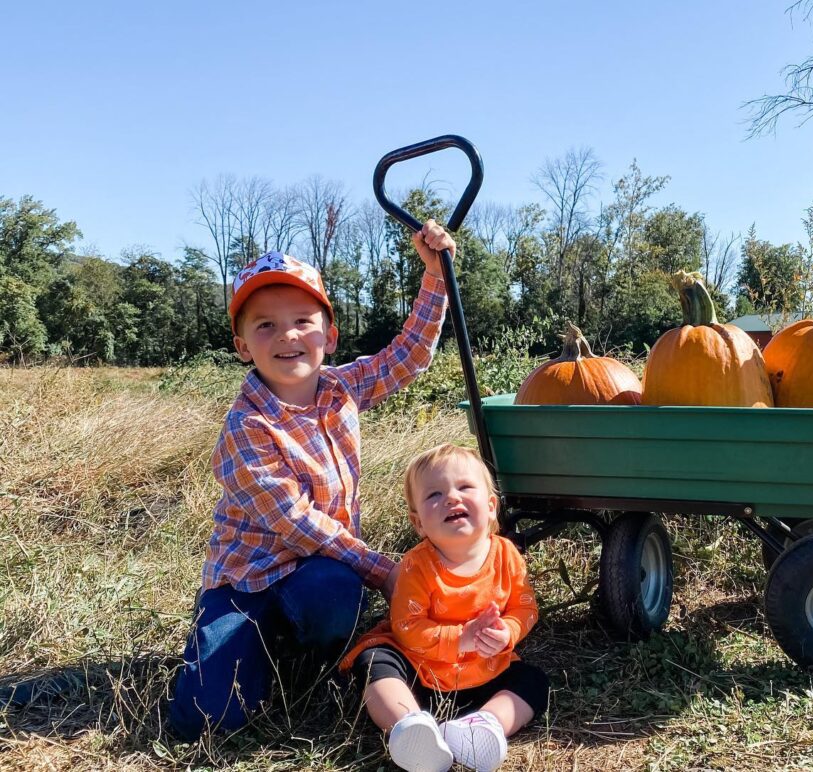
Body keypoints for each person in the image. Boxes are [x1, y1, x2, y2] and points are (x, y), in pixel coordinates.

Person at [167, 220, 456, 741]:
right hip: (247, 581)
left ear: (330, 335)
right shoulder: (247, 428)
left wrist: (434, 276)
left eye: (303, 320)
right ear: (242, 346)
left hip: (319, 572)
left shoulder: (341, 388)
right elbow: (298, 523)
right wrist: (387, 572)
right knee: (208, 719)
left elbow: (409, 356)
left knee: (334, 590)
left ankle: (306, 647)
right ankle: (246, 638)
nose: (287, 336)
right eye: (265, 326)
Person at [340, 443, 549, 772]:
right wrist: (459, 637)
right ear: (419, 523)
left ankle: (485, 727)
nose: (452, 498)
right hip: (419, 671)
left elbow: (526, 607)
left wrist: (507, 631)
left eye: (465, 487)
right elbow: (406, 626)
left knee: (532, 681)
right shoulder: (416, 566)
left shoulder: (506, 555)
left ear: (492, 506)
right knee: (374, 662)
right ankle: (408, 727)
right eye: (434, 495)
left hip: (484, 668)